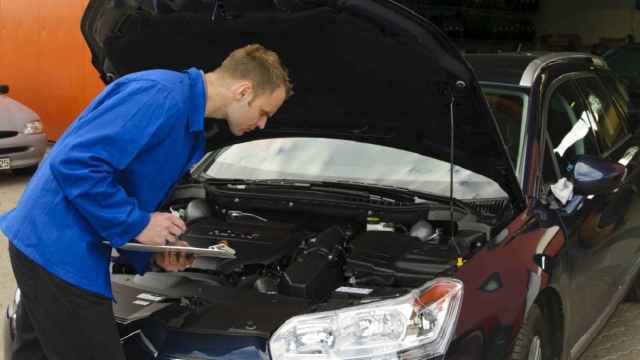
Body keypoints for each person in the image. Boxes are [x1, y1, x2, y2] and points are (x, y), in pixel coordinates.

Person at [0, 43, 293, 360]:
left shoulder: (188, 125)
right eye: (264, 112)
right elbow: (76, 163)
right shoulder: (160, 96)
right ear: (243, 91)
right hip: (59, 247)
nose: (262, 124)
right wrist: (138, 223)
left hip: (50, 242)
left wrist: (152, 252)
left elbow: (129, 187)